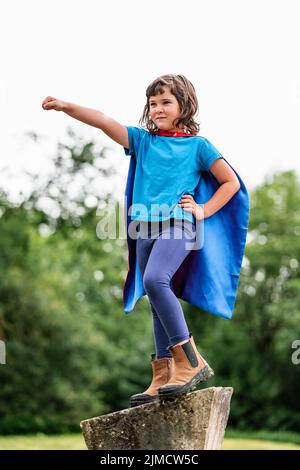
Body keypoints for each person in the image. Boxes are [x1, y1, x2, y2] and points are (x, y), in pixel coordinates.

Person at [41, 74, 249, 408]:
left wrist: (202, 210)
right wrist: (66, 107)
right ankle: (163, 373)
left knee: (155, 279)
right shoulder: (143, 141)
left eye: (166, 102)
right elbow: (104, 121)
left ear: (184, 105)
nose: (157, 109)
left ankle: (191, 360)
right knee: (154, 298)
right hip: (144, 230)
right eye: (153, 103)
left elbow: (230, 183)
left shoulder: (198, 146)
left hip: (178, 225)